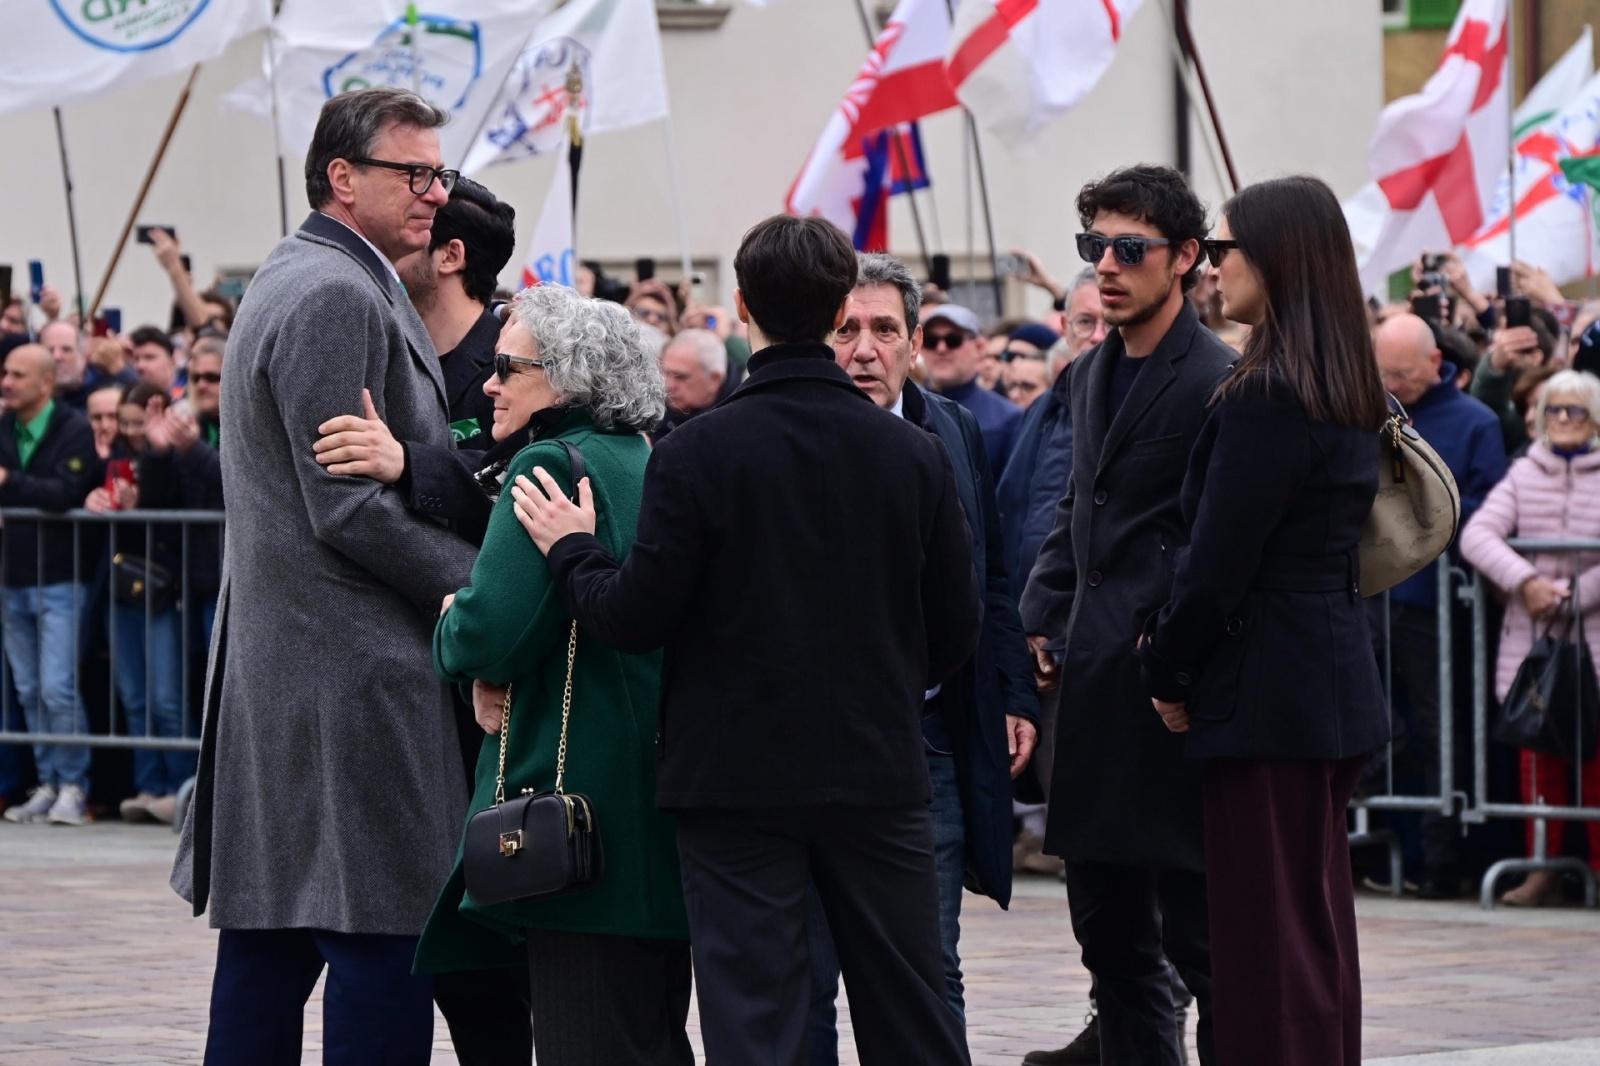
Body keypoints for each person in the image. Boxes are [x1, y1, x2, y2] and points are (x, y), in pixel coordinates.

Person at [509, 214, 979, 1066]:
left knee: (753, 1016)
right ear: (840, 307)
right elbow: (956, 626)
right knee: (911, 1011)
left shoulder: (696, 452)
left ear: (740, 307)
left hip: (733, 779)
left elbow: (633, 616)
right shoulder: (911, 453)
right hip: (875, 764)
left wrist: (574, 550)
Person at [169, 88, 479, 1066]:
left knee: (267, 948)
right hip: (351, 678)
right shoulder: (336, 290)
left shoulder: (307, 272)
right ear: (343, 178)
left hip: (303, 674)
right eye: (414, 173)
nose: (436, 192)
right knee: (385, 943)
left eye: (441, 173)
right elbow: (343, 507)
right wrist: (478, 585)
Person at [1139, 175, 1392, 1066]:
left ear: (1276, 261)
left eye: (1224, 248)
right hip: (1321, 684)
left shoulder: (1268, 395)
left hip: (1265, 695)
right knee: (1311, 933)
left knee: (1264, 944)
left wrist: (1167, 670)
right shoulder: (1341, 382)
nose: (1210, 267)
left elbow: (1217, 565)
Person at [415, 285, 691, 1063]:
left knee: (587, 1039)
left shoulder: (548, 462)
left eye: (508, 366)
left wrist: (449, 629)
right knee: (651, 1035)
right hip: (649, 804)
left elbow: (490, 628)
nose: (490, 383)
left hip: (577, 813)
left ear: (566, 380)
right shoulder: (640, 454)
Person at [1019, 164, 1231, 1066]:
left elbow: (1216, 541)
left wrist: (1162, 642)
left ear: (1184, 257)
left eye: (1128, 248)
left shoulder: (1220, 378)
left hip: (1171, 694)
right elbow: (1081, 506)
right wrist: (1042, 609)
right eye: (1093, 247)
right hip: (1091, 689)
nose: (1106, 266)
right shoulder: (1088, 371)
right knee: (1108, 942)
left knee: (1202, 945)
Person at [806, 252, 1037, 1061]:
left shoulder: (955, 431)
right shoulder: (788, 434)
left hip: (928, 740)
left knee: (927, 961)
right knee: (810, 974)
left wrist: (1010, 692)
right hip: (809, 748)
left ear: (914, 346)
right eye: (846, 329)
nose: (863, 349)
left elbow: (992, 571)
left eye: (883, 330)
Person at [1371, 313, 1507, 897]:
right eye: (1384, 373)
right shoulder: (1369, 412)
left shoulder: (1476, 421)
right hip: (1373, 597)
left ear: (1436, 363)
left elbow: (1486, 502)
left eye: (1402, 373)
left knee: (1439, 730)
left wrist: (1424, 519)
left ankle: (1440, 859)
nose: (1393, 384)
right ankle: (1386, 842)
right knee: (1377, 721)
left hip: (1436, 603)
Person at [312, 175, 520, 551]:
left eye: (417, 233)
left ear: (450, 256)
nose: (389, 252)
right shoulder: (392, 349)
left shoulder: (514, 366)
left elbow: (516, 475)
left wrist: (406, 462)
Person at [1460, 369, 1600, 906]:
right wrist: (1527, 581)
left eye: (1576, 411)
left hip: (1591, 642)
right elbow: (1477, 535)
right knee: (1538, 763)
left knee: (1596, 761)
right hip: (1534, 649)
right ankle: (1542, 870)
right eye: (1555, 410)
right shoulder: (1523, 473)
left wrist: (1570, 596)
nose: (1564, 419)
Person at [82, 381, 199, 825]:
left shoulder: (166, 453)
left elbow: (171, 502)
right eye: (124, 423)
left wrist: (156, 451)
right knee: (133, 695)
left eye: (137, 424)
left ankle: (179, 787)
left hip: (163, 587)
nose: (129, 431)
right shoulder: (107, 453)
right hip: (119, 584)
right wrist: (95, 486)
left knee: (166, 695)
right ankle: (149, 785)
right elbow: (88, 505)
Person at [0, 345, 98, 826]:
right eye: (5, 372)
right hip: (10, 577)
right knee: (28, 688)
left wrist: (7, 481)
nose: (7, 381)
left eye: (18, 374)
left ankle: (74, 784)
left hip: (60, 578)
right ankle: (46, 780)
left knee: (58, 687)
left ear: (45, 382)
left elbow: (65, 494)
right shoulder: (3, 427)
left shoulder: (74, 430)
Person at [923, 304, 1023, 476]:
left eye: (953, 340)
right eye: (931, 341)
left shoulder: (1007, 418)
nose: (941, 348)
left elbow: (1012, 493)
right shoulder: (902, 405)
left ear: (979, 347)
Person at [654, 328, 728, 438]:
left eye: (681, 377)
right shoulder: (654, 415)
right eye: (666, 373)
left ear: (715, 380)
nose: (669, 385)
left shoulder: (733, 426)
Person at [127, 326, 180, 398]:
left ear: (172, 362)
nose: (140, 366)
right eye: (136, 359)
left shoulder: (186, 396)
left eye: (149, 358)